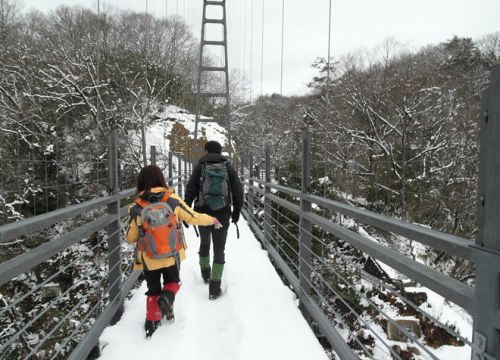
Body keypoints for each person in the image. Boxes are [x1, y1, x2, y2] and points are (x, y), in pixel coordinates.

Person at [127, 165, 221, 338]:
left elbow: (130, 238)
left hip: (149, 257)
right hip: (171, 255)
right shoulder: (172, 200)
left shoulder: (137, 207)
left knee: (153, 289)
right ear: (161, 180)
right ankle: (168, 299)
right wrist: (211, 220)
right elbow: (192, 217)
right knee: (173, 281)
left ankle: (151, 323)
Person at [184, 140, 243, 300]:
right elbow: (238, 190)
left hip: (202, 212)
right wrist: (236, 211)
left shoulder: (200, 167)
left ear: (206, 151)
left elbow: (191, 189)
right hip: (222, 212)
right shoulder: (228, 167)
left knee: (204, 242)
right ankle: (214, 287)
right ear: (220, 151)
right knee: (219, 248)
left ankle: (205, 273)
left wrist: (187, 211)